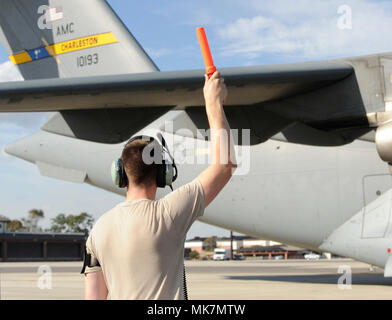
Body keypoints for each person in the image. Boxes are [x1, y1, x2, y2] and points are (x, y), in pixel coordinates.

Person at [83, 71, 236, 300]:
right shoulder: (169, 213)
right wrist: (213, 103)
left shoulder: (98, 231)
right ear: (164, 173)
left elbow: (93, 298)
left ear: (120, 174)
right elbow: (225, 165)